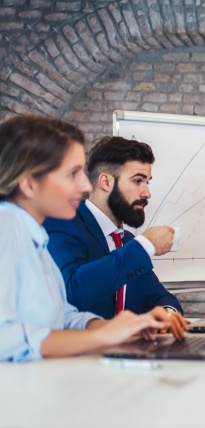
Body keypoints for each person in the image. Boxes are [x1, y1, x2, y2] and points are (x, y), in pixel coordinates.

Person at [0, 114, 182, 362]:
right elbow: (7, 338)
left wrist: (116, 327)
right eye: (72, 173)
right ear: (29, 184)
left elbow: (62, 315)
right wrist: (103, 337)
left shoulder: (34, 236)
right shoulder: (7, 225)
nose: (86, 186)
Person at [44, 136, 187, 334]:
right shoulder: (64, 222)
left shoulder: (126, 241)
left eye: (147, 182)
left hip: (127, 357)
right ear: (106, 181)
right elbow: (72, 292)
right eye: (138, 181)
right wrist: (147, 245)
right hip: (80, 358)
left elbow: (161, 298)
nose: (147, 193)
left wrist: (168, 314)